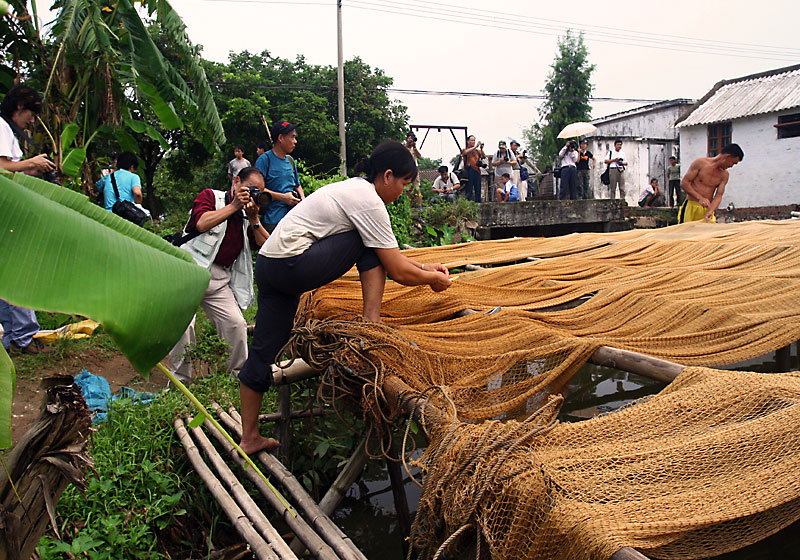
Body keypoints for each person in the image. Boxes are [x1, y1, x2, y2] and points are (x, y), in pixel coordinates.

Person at [237, 141, 452, 454]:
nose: (403, 192)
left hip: (270, 263)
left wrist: (425, 266)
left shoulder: (353, 189)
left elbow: (398, 262)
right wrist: (430, 279)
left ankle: (250, 437)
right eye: (404, 184)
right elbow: (396, 269)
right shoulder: (370, 202)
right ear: (388, 176)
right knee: (366, 244)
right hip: (292, 264)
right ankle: (371, 327)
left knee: (263, 349)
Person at [168, 167, 270, 384]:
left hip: (219, 278)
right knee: (183, 326)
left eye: (258, 191)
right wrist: (234, 206)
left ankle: (236, 377)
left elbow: (267, 246)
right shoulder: (211, 197)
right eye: (248, 188)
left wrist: (254, 219)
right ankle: (180, 381)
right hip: (190, 270)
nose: (251, 195)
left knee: (235, 324)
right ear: (235, 182)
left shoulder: (247, 216)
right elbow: (202, 223)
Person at [0, 85, 57, 355]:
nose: (32, 121)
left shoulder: (7, 130)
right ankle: (23, 337)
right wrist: (30, 163)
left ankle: (12, 337)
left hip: (8, 209)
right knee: (18, 272)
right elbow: (1, 167)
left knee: (6, 277)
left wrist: (33, 169)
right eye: (31, 114)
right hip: (6, 212)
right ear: (19, 108)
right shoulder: (1, 126)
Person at [255, 121, 305, 233]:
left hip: (293, 219)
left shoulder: (290, 161)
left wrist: (303, 201)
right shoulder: (264, 160)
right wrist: (283, 197)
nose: (295, 141)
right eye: (292, 137)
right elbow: (257, 189)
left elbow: (297, 185)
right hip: (273, 221)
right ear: (281, 138)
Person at [678, 144, 744, 223]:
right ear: (727, 157)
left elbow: (718, 195)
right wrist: (700, 198)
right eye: (733, 163)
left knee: (709, 233)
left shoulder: (724, 175)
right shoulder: (700, 163)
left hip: (707, 210)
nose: (731, 166)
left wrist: (710, 211)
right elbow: (684, 183)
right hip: (691, 207)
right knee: (686, 233)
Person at [461, 135, 486, 203]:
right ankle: (468, 202)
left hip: (477, 170)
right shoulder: (465, 149)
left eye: (474, 140)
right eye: (471, 140)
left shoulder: (477, 151)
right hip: (469, 170)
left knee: (478, 188)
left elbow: (484, 156)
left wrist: (481, 148)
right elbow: (465, 153)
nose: (473, 142)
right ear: (468, 141)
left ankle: (478, 201)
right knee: (469, 188)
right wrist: (475, 146)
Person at [403, 131, 422, 207]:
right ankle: (408, 206)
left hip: (414, 169)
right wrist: (408, 145)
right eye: (410, 138)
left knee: (417, 187)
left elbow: (419, 156)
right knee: (407, 189)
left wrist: (414, 147)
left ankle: (420, 206)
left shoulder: (414, 148)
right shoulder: (403, 147)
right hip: (406, 169)